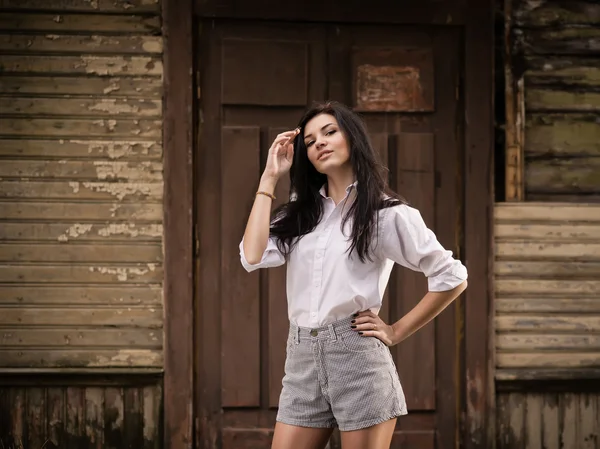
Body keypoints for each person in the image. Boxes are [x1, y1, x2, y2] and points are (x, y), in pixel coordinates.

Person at [239, 101, 468, 449]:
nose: (320, 143)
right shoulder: (303, 215)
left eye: (330, 132)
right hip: (301, 357)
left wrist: (395, 331)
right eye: (310, 140)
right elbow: (251, 256)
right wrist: (269, 178)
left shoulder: (385, 214)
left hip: (356, 358)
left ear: (353, 139)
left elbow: (452, 276)